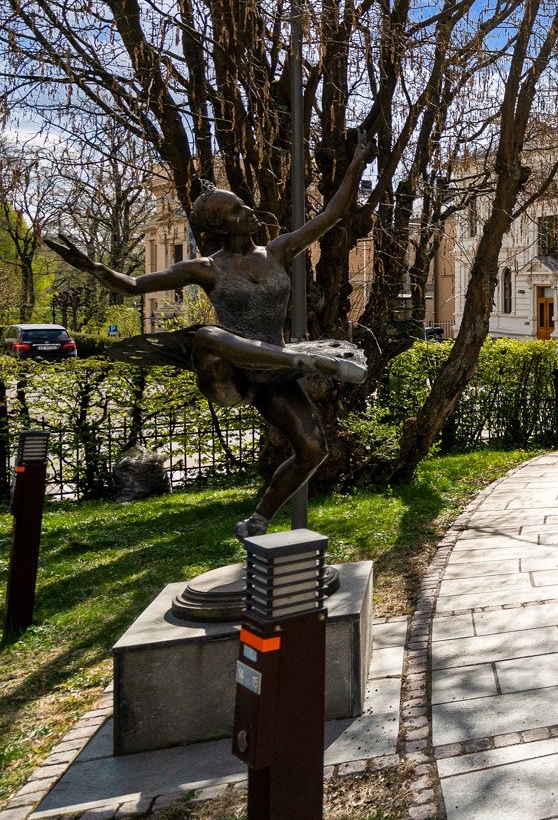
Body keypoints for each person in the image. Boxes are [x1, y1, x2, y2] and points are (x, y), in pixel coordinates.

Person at [46, 158, 369, 541]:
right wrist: (96, 268)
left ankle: (257, 521)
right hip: (229, 374)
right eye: (237, 210)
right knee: (206, 336)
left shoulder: (278, 251)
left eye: (243, 204)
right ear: (220, 226)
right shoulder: (206, 268)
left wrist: (354, 164)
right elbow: (133, 286)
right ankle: (308, 360)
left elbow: (332, 215)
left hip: (272, 372)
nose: (248, 211)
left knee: (313, 450)